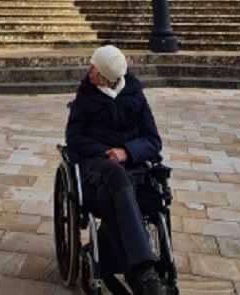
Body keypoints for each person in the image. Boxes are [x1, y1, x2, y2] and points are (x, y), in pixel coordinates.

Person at [65, 45, 165, 295]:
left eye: (95, 68)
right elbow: (74, 137)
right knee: (114, 174)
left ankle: (131, 277)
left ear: (108, 77)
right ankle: (144, 273)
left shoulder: (134, 94)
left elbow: (152, 140)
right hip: (95, 164)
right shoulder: (85, 94)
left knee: (109, 195)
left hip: (130, 168)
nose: (89, 70)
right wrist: (107, 151)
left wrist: (127, 151)